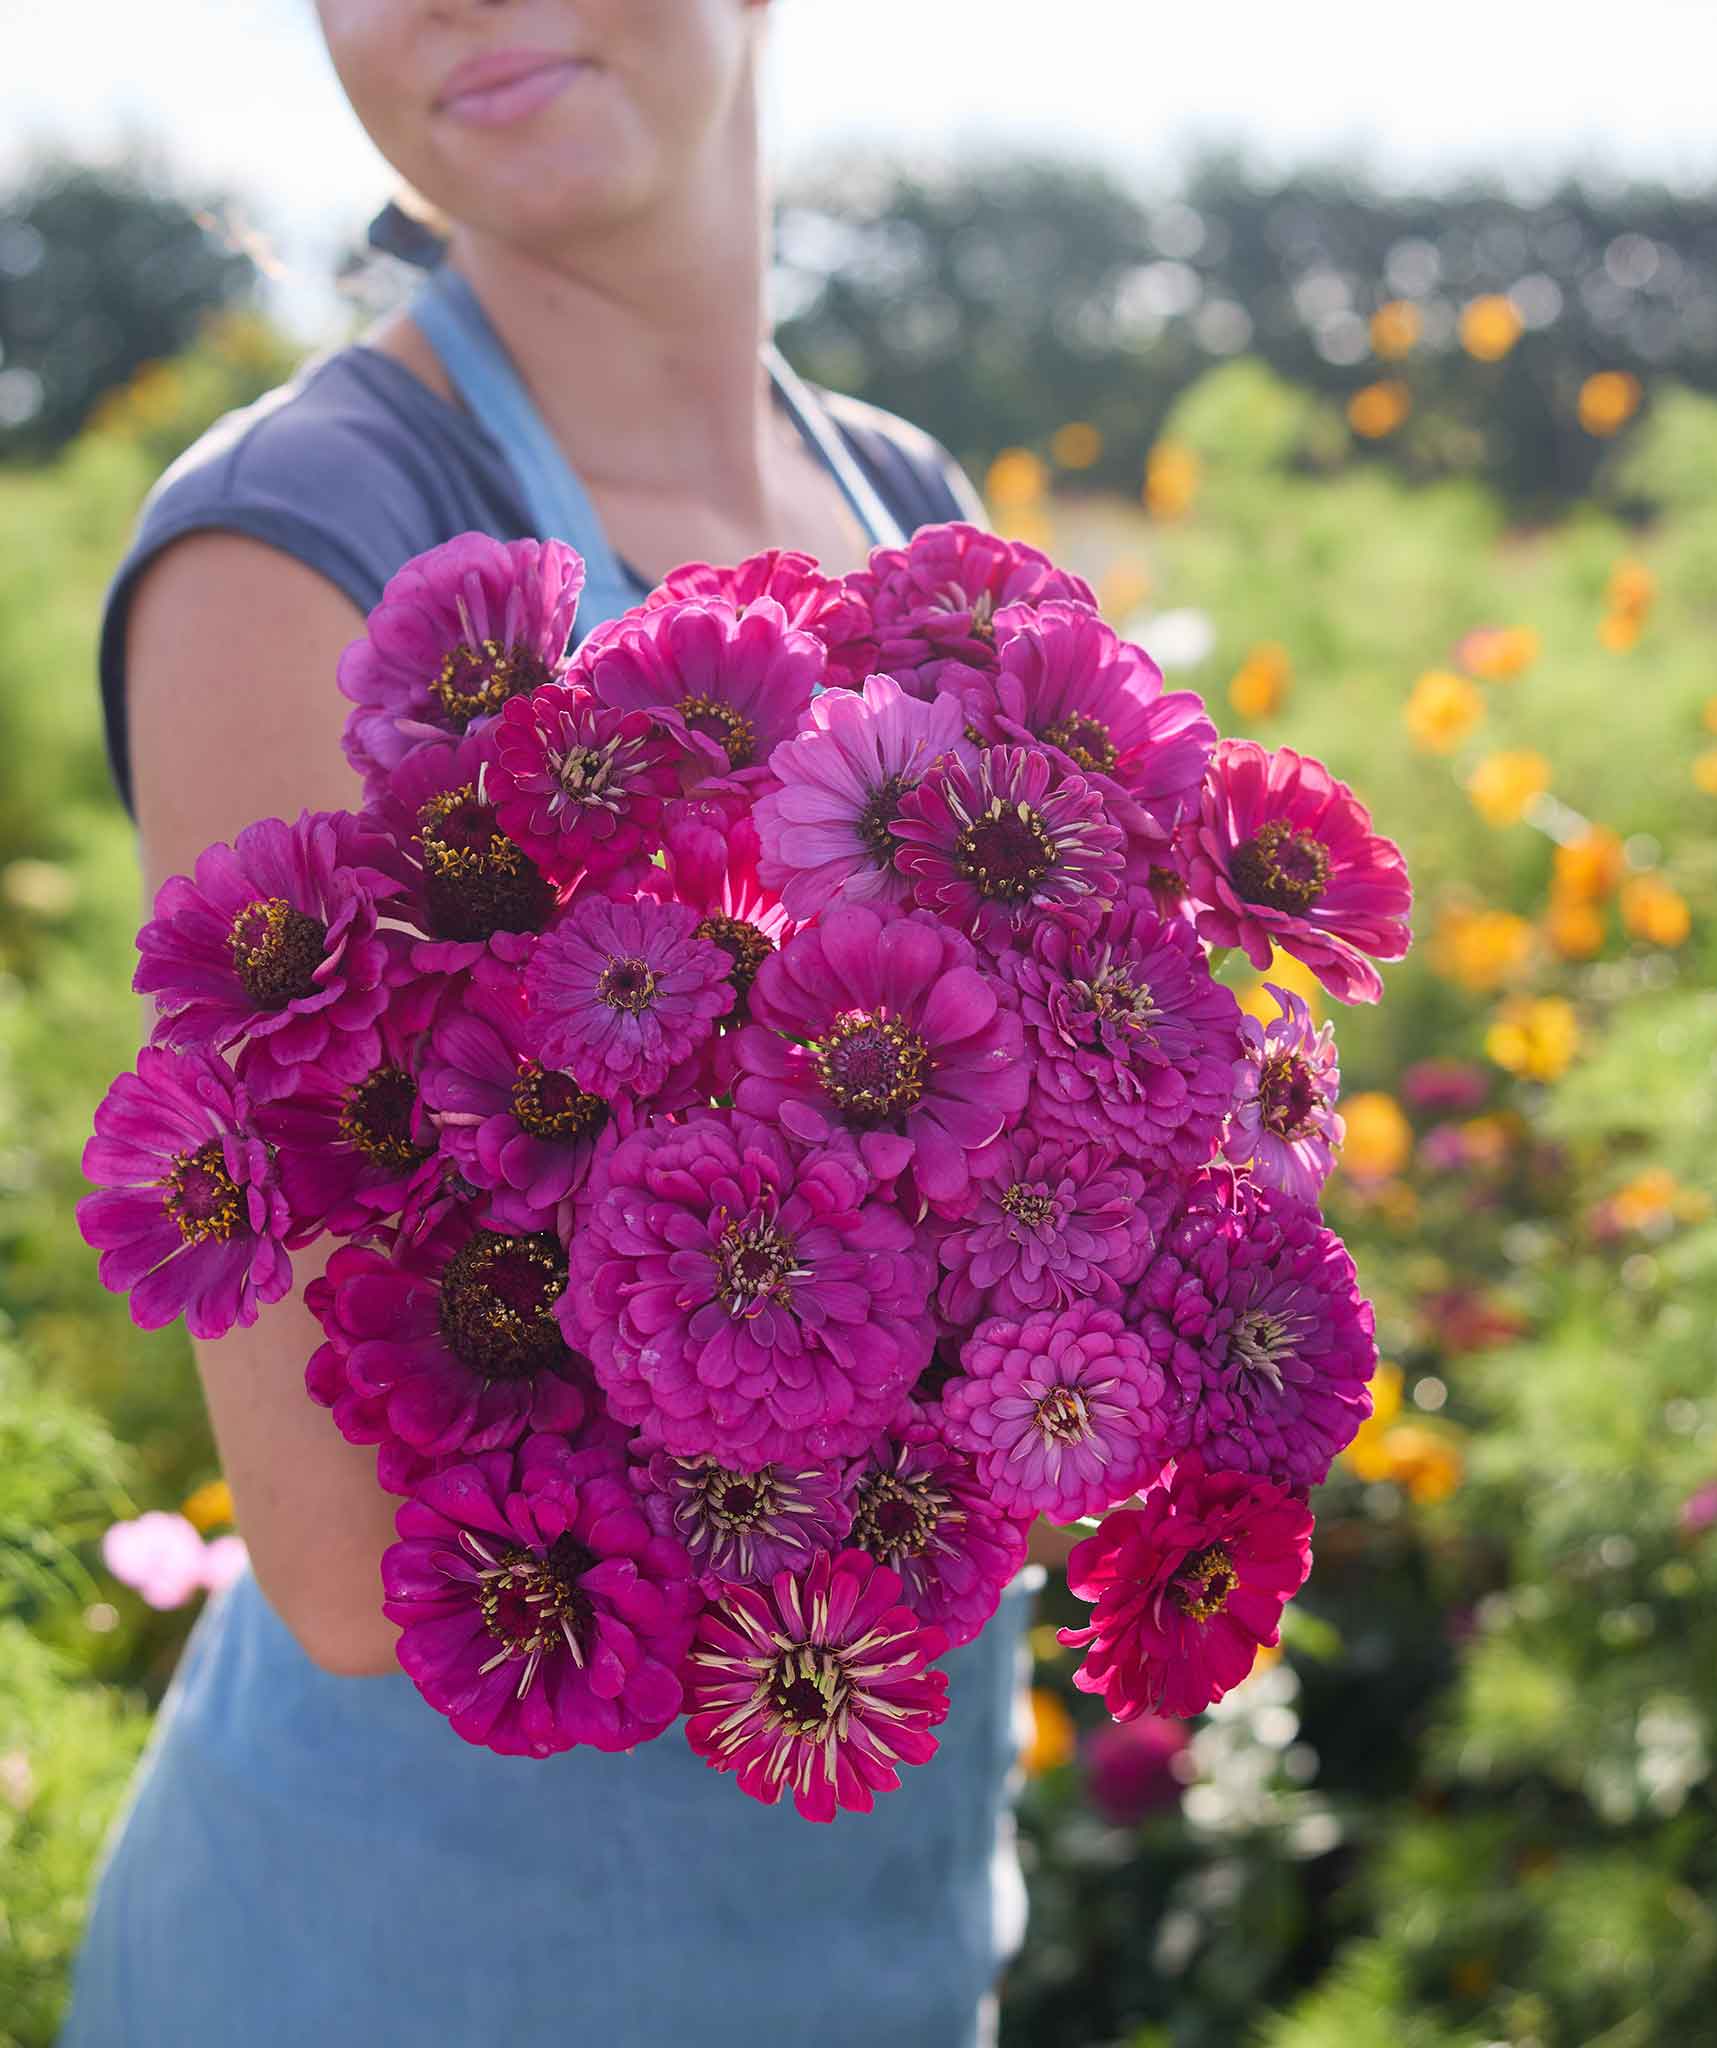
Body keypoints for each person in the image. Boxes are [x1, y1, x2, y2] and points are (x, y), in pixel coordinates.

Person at [61, 5, 1048, 2042]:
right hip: (409, 1968)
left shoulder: (904, 505)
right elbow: (343, 1560)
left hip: (876, 1934)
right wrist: (999, 1295)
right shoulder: (296, 545)